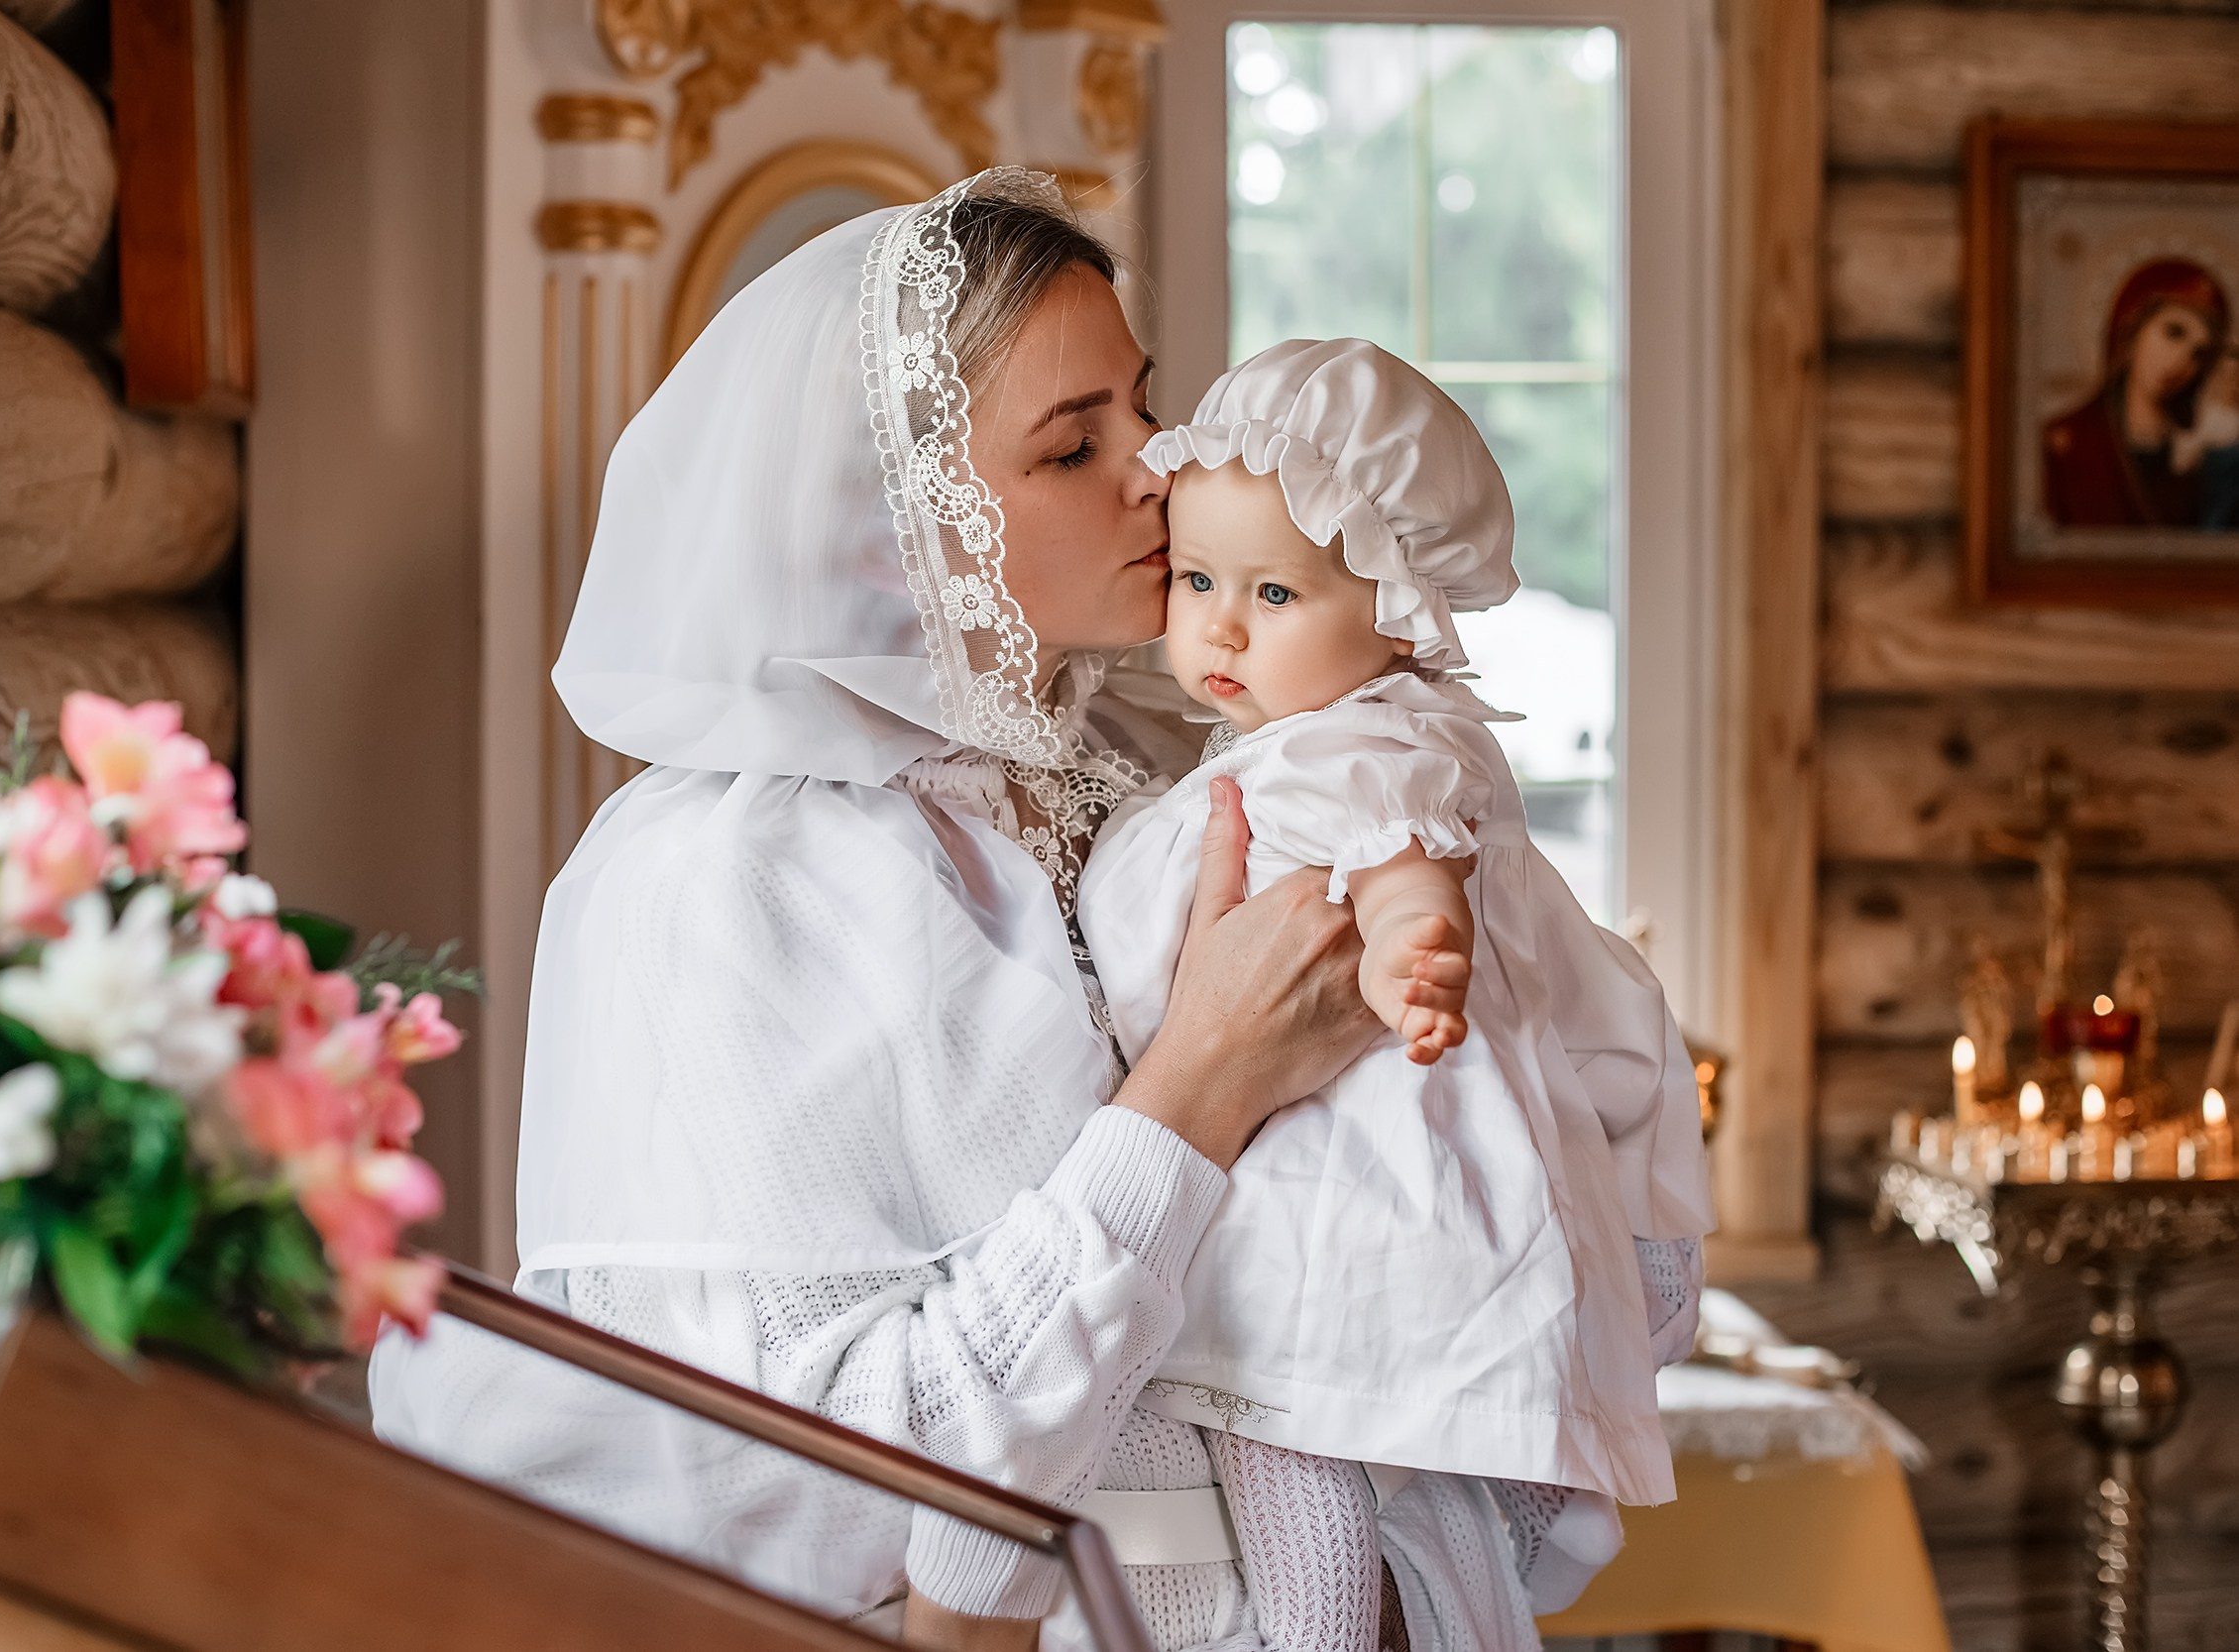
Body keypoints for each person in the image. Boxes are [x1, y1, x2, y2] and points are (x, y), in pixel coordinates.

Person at [369, 171, 1557, 1647]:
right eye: (1073, 444)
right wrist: (1196, 1088)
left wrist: (1394, 1584)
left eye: (1144, 406)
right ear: (893, 520)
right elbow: (806, 1470)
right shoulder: (717, 876)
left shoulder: (1164, 780)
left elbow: (1387, 1248)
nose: (1158, 469)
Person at [1077, 340, 1715, 1651]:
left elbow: (1410, 864)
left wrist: (1406, 951)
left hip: (1326, 1207)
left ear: (1395, 605)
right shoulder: (1295, 739)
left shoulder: (1369, 745)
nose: (1222, 625)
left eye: (1273, 590)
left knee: (1301, 1501)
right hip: (1286, 1189)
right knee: (1334, 1492)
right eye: (1198, 579)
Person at [2042, 258, 2237, 528]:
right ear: (2131, 330)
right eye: (2174, 333)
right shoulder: (2066, 444)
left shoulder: (2203, 457)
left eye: (2198, 353)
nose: (2182, 361)